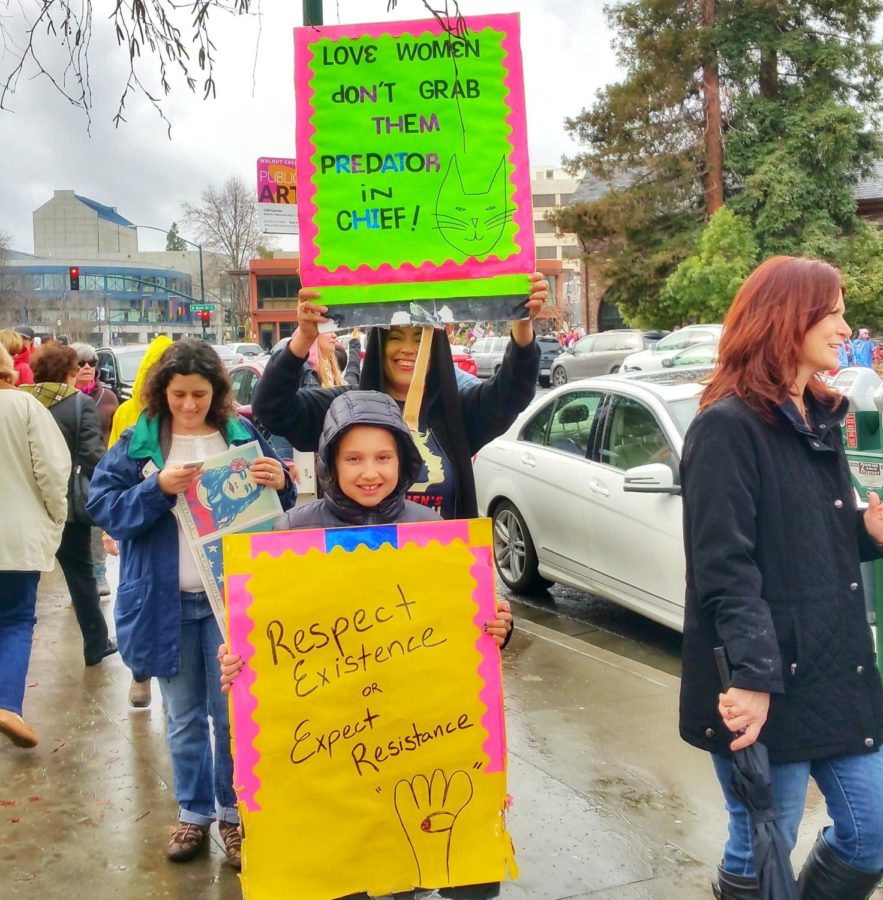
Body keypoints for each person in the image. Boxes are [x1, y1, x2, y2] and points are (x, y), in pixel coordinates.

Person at [217, 391, 513, 898]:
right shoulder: (292, 532)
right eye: (353, 458)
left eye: (383, 457)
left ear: (404, 460)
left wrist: (497, 627)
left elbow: (459, 638)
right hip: (329, 745)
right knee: (345, 874)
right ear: (331, 462)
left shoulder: (435, 533)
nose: (369, 472)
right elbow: (270, 637)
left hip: (414, 734)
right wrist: (239, 662)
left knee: (408, 862)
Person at [679, 256, 883, 900]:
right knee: (767, 841)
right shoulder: (726, 426)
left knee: (873, 830)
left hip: (836, 670)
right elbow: (726, 570)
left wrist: (868, 532)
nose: (847, 326)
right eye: (834, 310)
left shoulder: (819, 415)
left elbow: (806, 541)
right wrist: (753, 680)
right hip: (764, 678)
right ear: (787, 318)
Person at [86, 339, 295, 869]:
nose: (188, 406)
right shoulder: (139, 443)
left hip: (232, 602)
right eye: (178, 394)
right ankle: (194, 813)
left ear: (217, 392)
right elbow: (103, 509)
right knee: (181, 716)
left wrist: (283, 479)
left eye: (199, 395)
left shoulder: (240, 434)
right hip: (165, 602)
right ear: (162, 391)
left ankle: (233, 811)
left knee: (231, 715)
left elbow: (278, 506)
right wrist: (155, 488)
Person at [253, 276, 546, 519]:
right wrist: (304, 337)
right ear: (379, 346)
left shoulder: (457, 412)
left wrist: (522, 324)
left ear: (436, 350)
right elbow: (271, 407)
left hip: (440, 570)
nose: (408, 349)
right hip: (357, 571)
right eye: (396, 337)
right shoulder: (342, 410)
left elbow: (513, 392)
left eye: (420, 340)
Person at [21, 343, 117, 667]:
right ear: (69, 373)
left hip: (26, 502)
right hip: (66, 506)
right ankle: (95, 643)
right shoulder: (79, 404)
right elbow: (92, 455)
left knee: (24, 576)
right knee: (81, 574)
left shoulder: (22, 402)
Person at [0, 345, 71, 748]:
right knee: (14, 620)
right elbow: (52, 469)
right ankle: (7, 703)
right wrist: (53, 517)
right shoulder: (25, 409)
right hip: (14, 537)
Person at [105, 335, 172, 708]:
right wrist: (110, 528)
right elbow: (110, 480)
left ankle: (171, 688)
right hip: (141, 524)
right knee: (140, 605)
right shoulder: (129, 414)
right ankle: (140, 674)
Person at [72, 343, 119, 598]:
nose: (88, 367)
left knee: (95, 522)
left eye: (92, 362)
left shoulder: (108, 397)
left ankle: (99, 572)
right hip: (70, 469)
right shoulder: (65, 397)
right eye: (81, 363)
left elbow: (117, 431)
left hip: (100, 467)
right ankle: (80, 577)